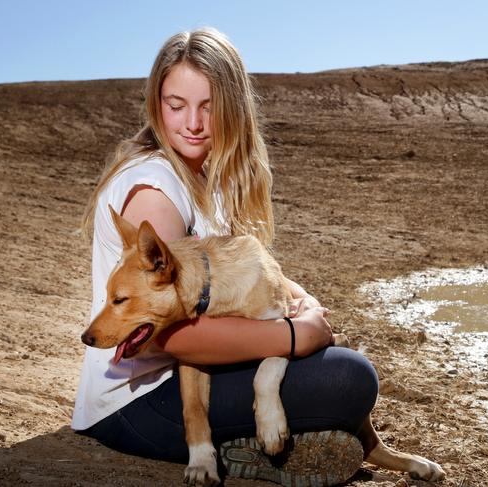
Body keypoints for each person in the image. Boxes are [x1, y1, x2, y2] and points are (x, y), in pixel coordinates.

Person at [72, 28, 379, 486]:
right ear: (156, 104)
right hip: (145, 400)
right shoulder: (156, 192)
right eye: (176, 105)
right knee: (349, 379)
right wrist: (293, 337)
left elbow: (243, 270)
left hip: (189, 378)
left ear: (233, 107)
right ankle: (243, 449)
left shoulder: (204, 178)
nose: (193, 123)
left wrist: (304, 303)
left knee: (338, 366)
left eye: (208, 106)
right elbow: (174, 340)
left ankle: (276, 439)